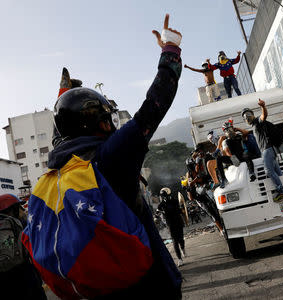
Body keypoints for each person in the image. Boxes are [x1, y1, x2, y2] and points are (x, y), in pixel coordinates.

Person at [21, 14, 184, 299]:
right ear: (101, 122)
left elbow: (64, 126)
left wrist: (64, 97)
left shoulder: (56, 173)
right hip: (148, 285)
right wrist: (171, 50)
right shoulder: (112, 156)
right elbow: (154, 105)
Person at [0, 194, 47, 299]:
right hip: (20, 276)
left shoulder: (12, 223)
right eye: (18, 207)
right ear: (12, 209)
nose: (22, 210)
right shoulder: (9, 223)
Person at [242, 99, 283, 202]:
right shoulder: (253, 126)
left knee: (269, 171)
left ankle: (282, 191)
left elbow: (264, 116)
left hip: (267, 150)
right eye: (244, 117)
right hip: (269, 150)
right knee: (277, 171)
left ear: (253, 115)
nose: (247, 117)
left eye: (248, 114)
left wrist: (263, 106)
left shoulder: (257, 122)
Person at [217, 120, 257, 188]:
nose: (229, 131)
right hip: (234, 158)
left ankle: (251, 173)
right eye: (227, 130)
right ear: (224, 132)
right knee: (219, 159)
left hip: (243, 155)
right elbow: (226, 151)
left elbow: (246, 133)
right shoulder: (226, 141)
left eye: (230, 128)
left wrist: (238, 129)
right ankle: (224, 179)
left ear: (233, 128)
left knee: (246, 154)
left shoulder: (239, 136)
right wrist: (232, 157)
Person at [157, 188, 186, 267]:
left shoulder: (175, 201)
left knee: (181, 239)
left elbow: (181, 210)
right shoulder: (161, 205)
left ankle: (183, 248)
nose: (164, 197)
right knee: (174, 241)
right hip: (170, 225)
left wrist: (181, 209)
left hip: (178, 223)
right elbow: (157, 213)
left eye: (165, 195)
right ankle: (179, 259)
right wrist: (158, 214)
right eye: (163, 196)